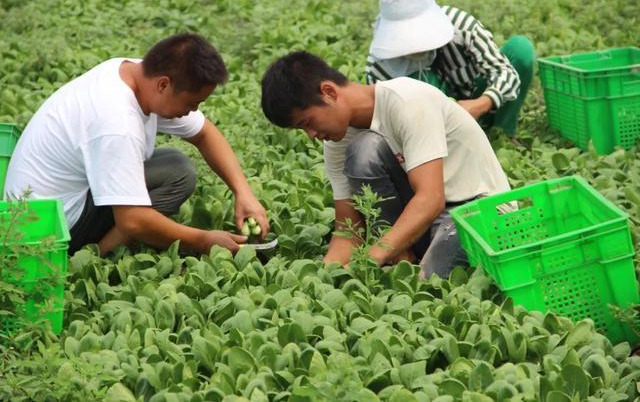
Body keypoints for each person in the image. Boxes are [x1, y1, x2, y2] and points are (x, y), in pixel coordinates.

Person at [4, 33, 268, 255]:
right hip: (50, 233)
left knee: (175, 167)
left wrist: (243, 192)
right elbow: (132, 220)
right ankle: (91, 257)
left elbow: (205, 133)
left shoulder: (132, 74)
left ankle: (105, 247)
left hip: (50, 204)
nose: (192, 111)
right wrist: (201, 240)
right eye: (191, 103)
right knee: (169, 183)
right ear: (164, 84)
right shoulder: (117, 121)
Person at [260, 51, 511, 278]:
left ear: (329, 92)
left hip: (478, 213)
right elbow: (349, 231)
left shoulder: (408, 101)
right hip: (425, 224)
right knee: (361, 149)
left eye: (307, 123)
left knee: (428, 285)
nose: (312, 135)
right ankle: (403, 256)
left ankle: (402, 258)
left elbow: (431, 198)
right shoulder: (338, 141)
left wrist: (371, 259)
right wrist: (322, 278)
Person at [365, 0, 534, 140]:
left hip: (477, 98)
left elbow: (504, 72)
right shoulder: (379, 67)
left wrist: (481, 104)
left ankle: (502, 133)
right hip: (433, 129)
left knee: (521, 49)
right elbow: (385, 123)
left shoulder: (461, 26)